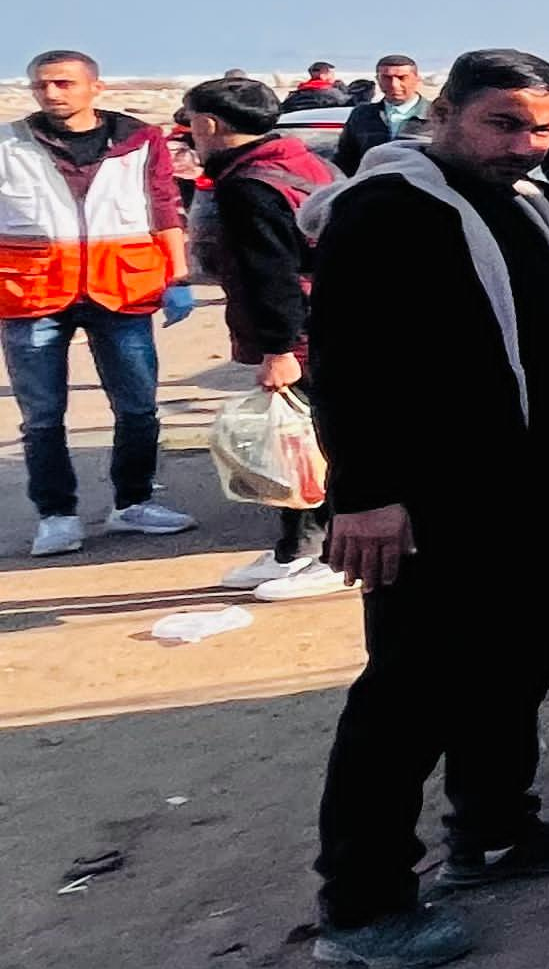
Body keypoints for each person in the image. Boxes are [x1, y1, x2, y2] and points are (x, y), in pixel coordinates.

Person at [302, 47, 549, 969]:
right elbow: (344, 361)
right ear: (443, 114)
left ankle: (496, 831)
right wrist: (366, 498)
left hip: (529, 480)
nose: (525, 146)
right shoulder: (387, 209)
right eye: (503, 124)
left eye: (541, 128)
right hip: (432, 496)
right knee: (410, 692)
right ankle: (362, 905)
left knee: (519, 657)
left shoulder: (522, 201)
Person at [5, 49, 200, 558]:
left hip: (122, 288)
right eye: (42, 85)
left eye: (64, 83)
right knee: (42, 415)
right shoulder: (8, 144)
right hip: (34, 292)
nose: (51, 93)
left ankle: (133, 502)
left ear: (96, 87)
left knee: (137, 406)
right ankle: (56, 516)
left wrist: (177, 275)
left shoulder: (139, 140)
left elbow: (164, 206)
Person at [176, 75, 346, 598]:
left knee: (315, 442)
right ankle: (294, 549)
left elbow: (271, 273)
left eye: (191, 123)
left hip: (307, 330)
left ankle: (332, 554)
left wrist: (279, 349)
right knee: (294, 442)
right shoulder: (302, 160)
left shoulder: (250, 184)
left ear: (209, 124)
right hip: (327, 320)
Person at [335, 55, 428, 174]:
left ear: (417, 79)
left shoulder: (437, 115)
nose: (394, 84)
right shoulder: (362, 115)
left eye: (402, 78)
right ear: (378, 80)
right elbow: (345, 161)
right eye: (386, 78)